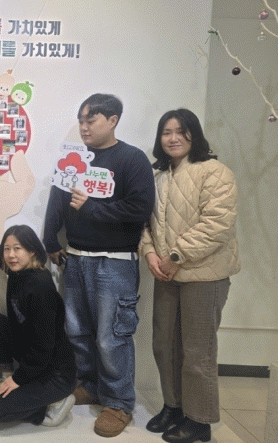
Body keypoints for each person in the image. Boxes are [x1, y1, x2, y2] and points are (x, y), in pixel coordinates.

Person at [43, 93, 155, 437]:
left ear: (113, 120)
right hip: (76, 258)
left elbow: (140, 209)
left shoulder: (132, 159)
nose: (84, 127)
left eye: (91, 120)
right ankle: (90, 386)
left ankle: (119, 403)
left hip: (115, 261)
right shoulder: (75, 158)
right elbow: (58, 198)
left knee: (112, 337)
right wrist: (50, 241)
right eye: (81, 120)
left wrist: (92, 208)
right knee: (77, 331)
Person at [140, 109, 240, 443]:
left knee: (197, 352)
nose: (173, 138)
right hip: (166, 273)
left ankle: (199, 421)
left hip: (204, 275)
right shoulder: (158, 176)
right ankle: (174, 406)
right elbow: (145, 222)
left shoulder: (215, 172)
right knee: (164, 344)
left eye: (180, 131)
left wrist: (175, 256)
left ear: (194, 134)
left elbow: (217, 225)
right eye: (166, 132)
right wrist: (150, 253)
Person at [0, 198, 77, 427]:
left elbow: (44, 347)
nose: (11, 255)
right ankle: (6, 375)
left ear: (32, 251)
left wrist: (19, 379)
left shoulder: (40, 288)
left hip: (55, 373)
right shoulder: (18, 273)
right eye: (7, 249)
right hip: (34, 359)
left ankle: (56, 402)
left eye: (17, 249)